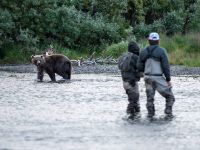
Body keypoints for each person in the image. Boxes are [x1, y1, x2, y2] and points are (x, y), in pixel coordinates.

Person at [137, 32, 175, 118]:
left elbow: (139, 66)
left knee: (150, 99)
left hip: (147, 78)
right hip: (158, 78)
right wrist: (168, 79)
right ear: (158, 41)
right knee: (170, 97)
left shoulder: (143, 51)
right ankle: (168, 114)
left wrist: (143, 73)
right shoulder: (161, 51)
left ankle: (150, 115)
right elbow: (165, 66)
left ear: (149, 41)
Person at [118, 41, 141, 118]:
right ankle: (130, 119)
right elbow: (140, 68)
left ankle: (134, 117)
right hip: (132, 83)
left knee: (134, 101)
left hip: (125, 83)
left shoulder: (122, 57)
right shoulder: (135, 57)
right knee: (133, 102)